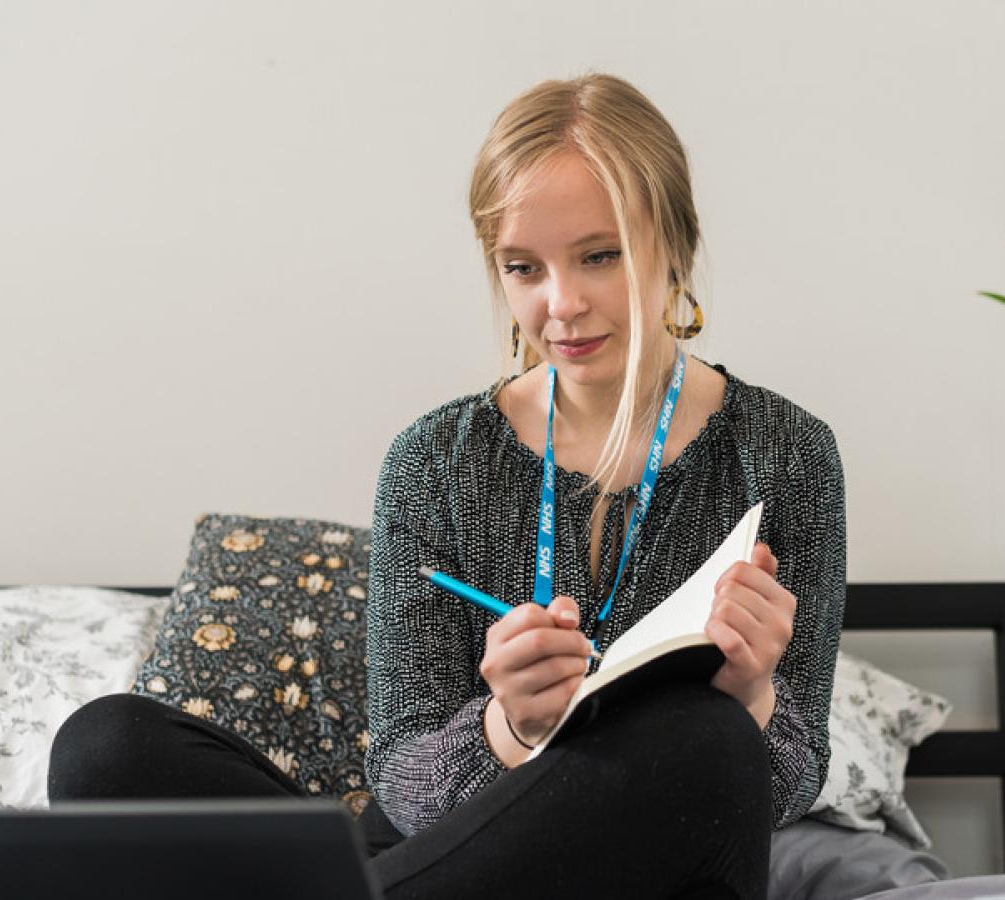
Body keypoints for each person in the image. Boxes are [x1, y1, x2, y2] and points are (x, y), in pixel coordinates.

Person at [48, 72, 846, 900]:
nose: (561, 304)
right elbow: (401, 777)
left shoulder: (787, 454)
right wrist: (509, 727)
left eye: (599, 256)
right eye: (523, 267)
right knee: (109, 747)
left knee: (704, 741)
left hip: (643, 866)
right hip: (445, 860)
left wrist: (751, 694)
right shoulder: (433, 462)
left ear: (675, 244)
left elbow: (789, 778)